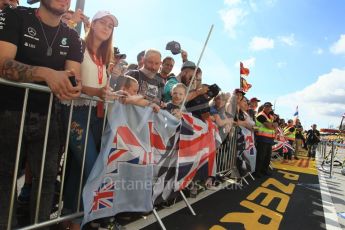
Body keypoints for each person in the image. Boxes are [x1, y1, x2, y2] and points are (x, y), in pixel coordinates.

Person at [0, 0, 83, 228]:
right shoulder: (15, 16)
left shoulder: (73, 37)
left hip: (49, 116)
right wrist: (45, 73)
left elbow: (71, 76)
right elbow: (2, 63)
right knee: (4, 177)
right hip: (7, 112)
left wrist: (73, 85)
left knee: (46, 180)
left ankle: (40, 225)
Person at [61, 10, 119, 230]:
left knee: (78, 168)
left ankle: (70, 221)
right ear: (92, 24)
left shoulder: (104, 56)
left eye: (110, 25)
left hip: (95, 116)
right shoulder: (79, 44)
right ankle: (82, 220)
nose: (106, 27)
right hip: (75, 113)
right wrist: (97, 93)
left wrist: (118, 95)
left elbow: (102, 88)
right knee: (93, 168)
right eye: (103, 22)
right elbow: (71, 79)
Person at [254, 102, 277, 178]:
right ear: (263, 107)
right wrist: (273, 125)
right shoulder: (261, 115)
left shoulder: (270, 116)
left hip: (269, 139)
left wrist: (273, 125)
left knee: (267, 157)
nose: (268, 108)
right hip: (262, 138)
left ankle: (264, 170)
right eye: (267, 106)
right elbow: (269, 126)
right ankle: (257, 172)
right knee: (260, 157)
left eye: (270, 107)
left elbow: (274, 125)